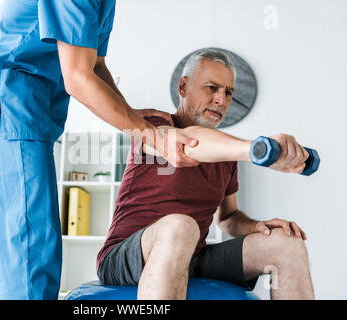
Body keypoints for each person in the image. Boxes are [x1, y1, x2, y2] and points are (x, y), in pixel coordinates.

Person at [0, 0, 199, 300]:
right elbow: (78, 78)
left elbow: (95, 67)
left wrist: (139, 120)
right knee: (29, 254)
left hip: (23, 116)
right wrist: (151, 136)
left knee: (10, 260)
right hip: (10, 110)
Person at [96, 49, 315, 300]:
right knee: (181, 225)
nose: (221, 99)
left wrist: (256, 226)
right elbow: (190, 142)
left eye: (228, 92)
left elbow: (228, 217)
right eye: (212, 88)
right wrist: (256, 149)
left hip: (193, 255)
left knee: (286, 243)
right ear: (183, 87)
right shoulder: (153, 125)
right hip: (126, 255)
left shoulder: (227, 156)